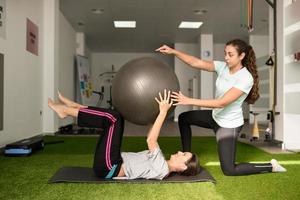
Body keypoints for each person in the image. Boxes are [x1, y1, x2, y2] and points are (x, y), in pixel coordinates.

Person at [156, 39, 286, 176]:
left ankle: (271, 166)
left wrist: (188, 100)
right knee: (184, 118)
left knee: (229, 170)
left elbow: (221, 103)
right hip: (215, 116)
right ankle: (187, 156)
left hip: (229, 125)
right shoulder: (222, 67)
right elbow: (196, 62)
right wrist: (173, 52)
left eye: (230, 55)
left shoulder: (245, 78)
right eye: (225, 53)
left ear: (241, 56)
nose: (226, 58)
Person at [48, 90, 201, 179]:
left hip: (109, 166)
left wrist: (163, 113)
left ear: (182, 167)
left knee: (114, 118)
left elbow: (150, 139)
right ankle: (77, 107)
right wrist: (152, 117)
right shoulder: (161, 162)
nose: (180, 152)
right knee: (115, 118)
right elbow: (150, 135)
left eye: (183, 155)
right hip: (111, 162)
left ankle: (67, 111)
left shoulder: (162, 168)